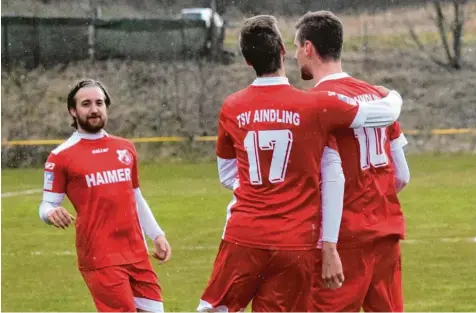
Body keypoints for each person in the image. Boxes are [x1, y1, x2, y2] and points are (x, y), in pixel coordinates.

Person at [197, 15, 404, 312]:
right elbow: (374, 127)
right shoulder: (311, 106)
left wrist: (269, 187)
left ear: (246, 60)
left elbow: (228, 174)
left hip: (244, 234)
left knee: (213, 308)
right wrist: (394, 98)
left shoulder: (231, 106)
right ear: (281, 50)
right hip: (297, 240)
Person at [294, 11, 410, 312]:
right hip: (386, 234)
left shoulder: (317, 103)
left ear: (308, 48)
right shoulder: (377, 95)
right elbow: (402, 176)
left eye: (296, 48)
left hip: (344, 237)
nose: (295, 57)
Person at [38, 79, 171, 312]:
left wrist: (157, 234)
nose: (94, 109)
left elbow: (135, 196)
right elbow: (46, 204)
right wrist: (50, 212)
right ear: (73, 110)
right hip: (100, 256)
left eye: (99, 103)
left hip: (136, 251)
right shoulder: (61, 156)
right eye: (86, 104)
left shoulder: (125, 148)